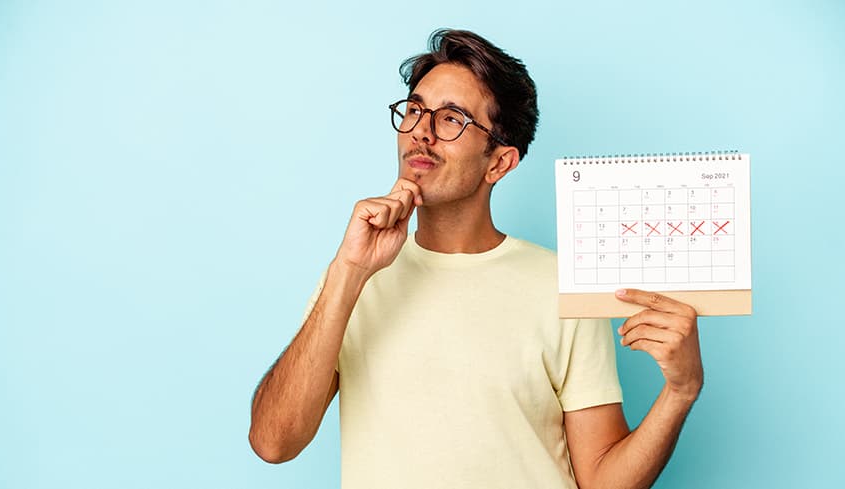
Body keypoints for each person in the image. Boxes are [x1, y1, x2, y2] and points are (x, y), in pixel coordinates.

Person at [249, 29, 704, 489]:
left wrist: (680, 392)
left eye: (452, 119)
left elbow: (604, 481)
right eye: (414, 111)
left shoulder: (559, 285)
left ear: (500, 163)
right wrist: (349, 273)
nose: (421, 132)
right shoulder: (352, 274)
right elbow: (273, 442)